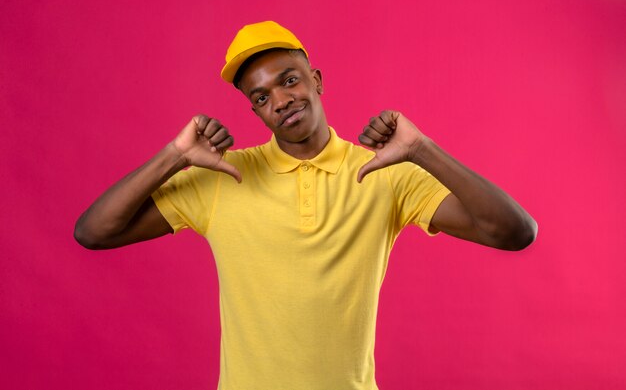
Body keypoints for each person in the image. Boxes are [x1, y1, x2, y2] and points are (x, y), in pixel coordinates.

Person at [75, 20, 537, 390]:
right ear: (255, 112)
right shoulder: (222, 179)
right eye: (261, 97)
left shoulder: (384, 172)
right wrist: (173, 157)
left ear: (315, 81)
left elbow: (514, 232)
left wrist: (422, 151)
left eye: (289, 80)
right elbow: (94, 232)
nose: (280, 100)